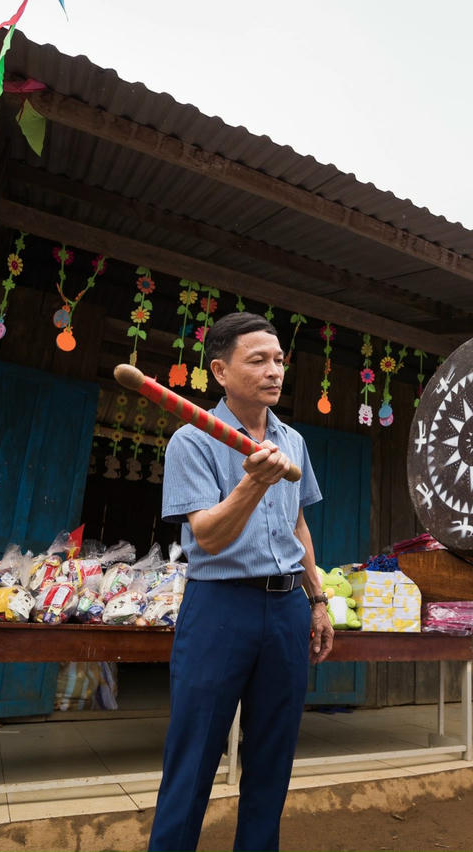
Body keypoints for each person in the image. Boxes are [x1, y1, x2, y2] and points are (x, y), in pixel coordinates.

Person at [148, 311, 334, 852]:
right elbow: (206, 535)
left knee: (273, 755)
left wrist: (317, 599)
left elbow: (299, 523)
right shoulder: (192, 441)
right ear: (220, 372)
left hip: (286, 610)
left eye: (279, 360)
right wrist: (253, 483)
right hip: (220, 610)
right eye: (258, 360)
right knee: (194, 752)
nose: (274, 370)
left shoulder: (292, 440)